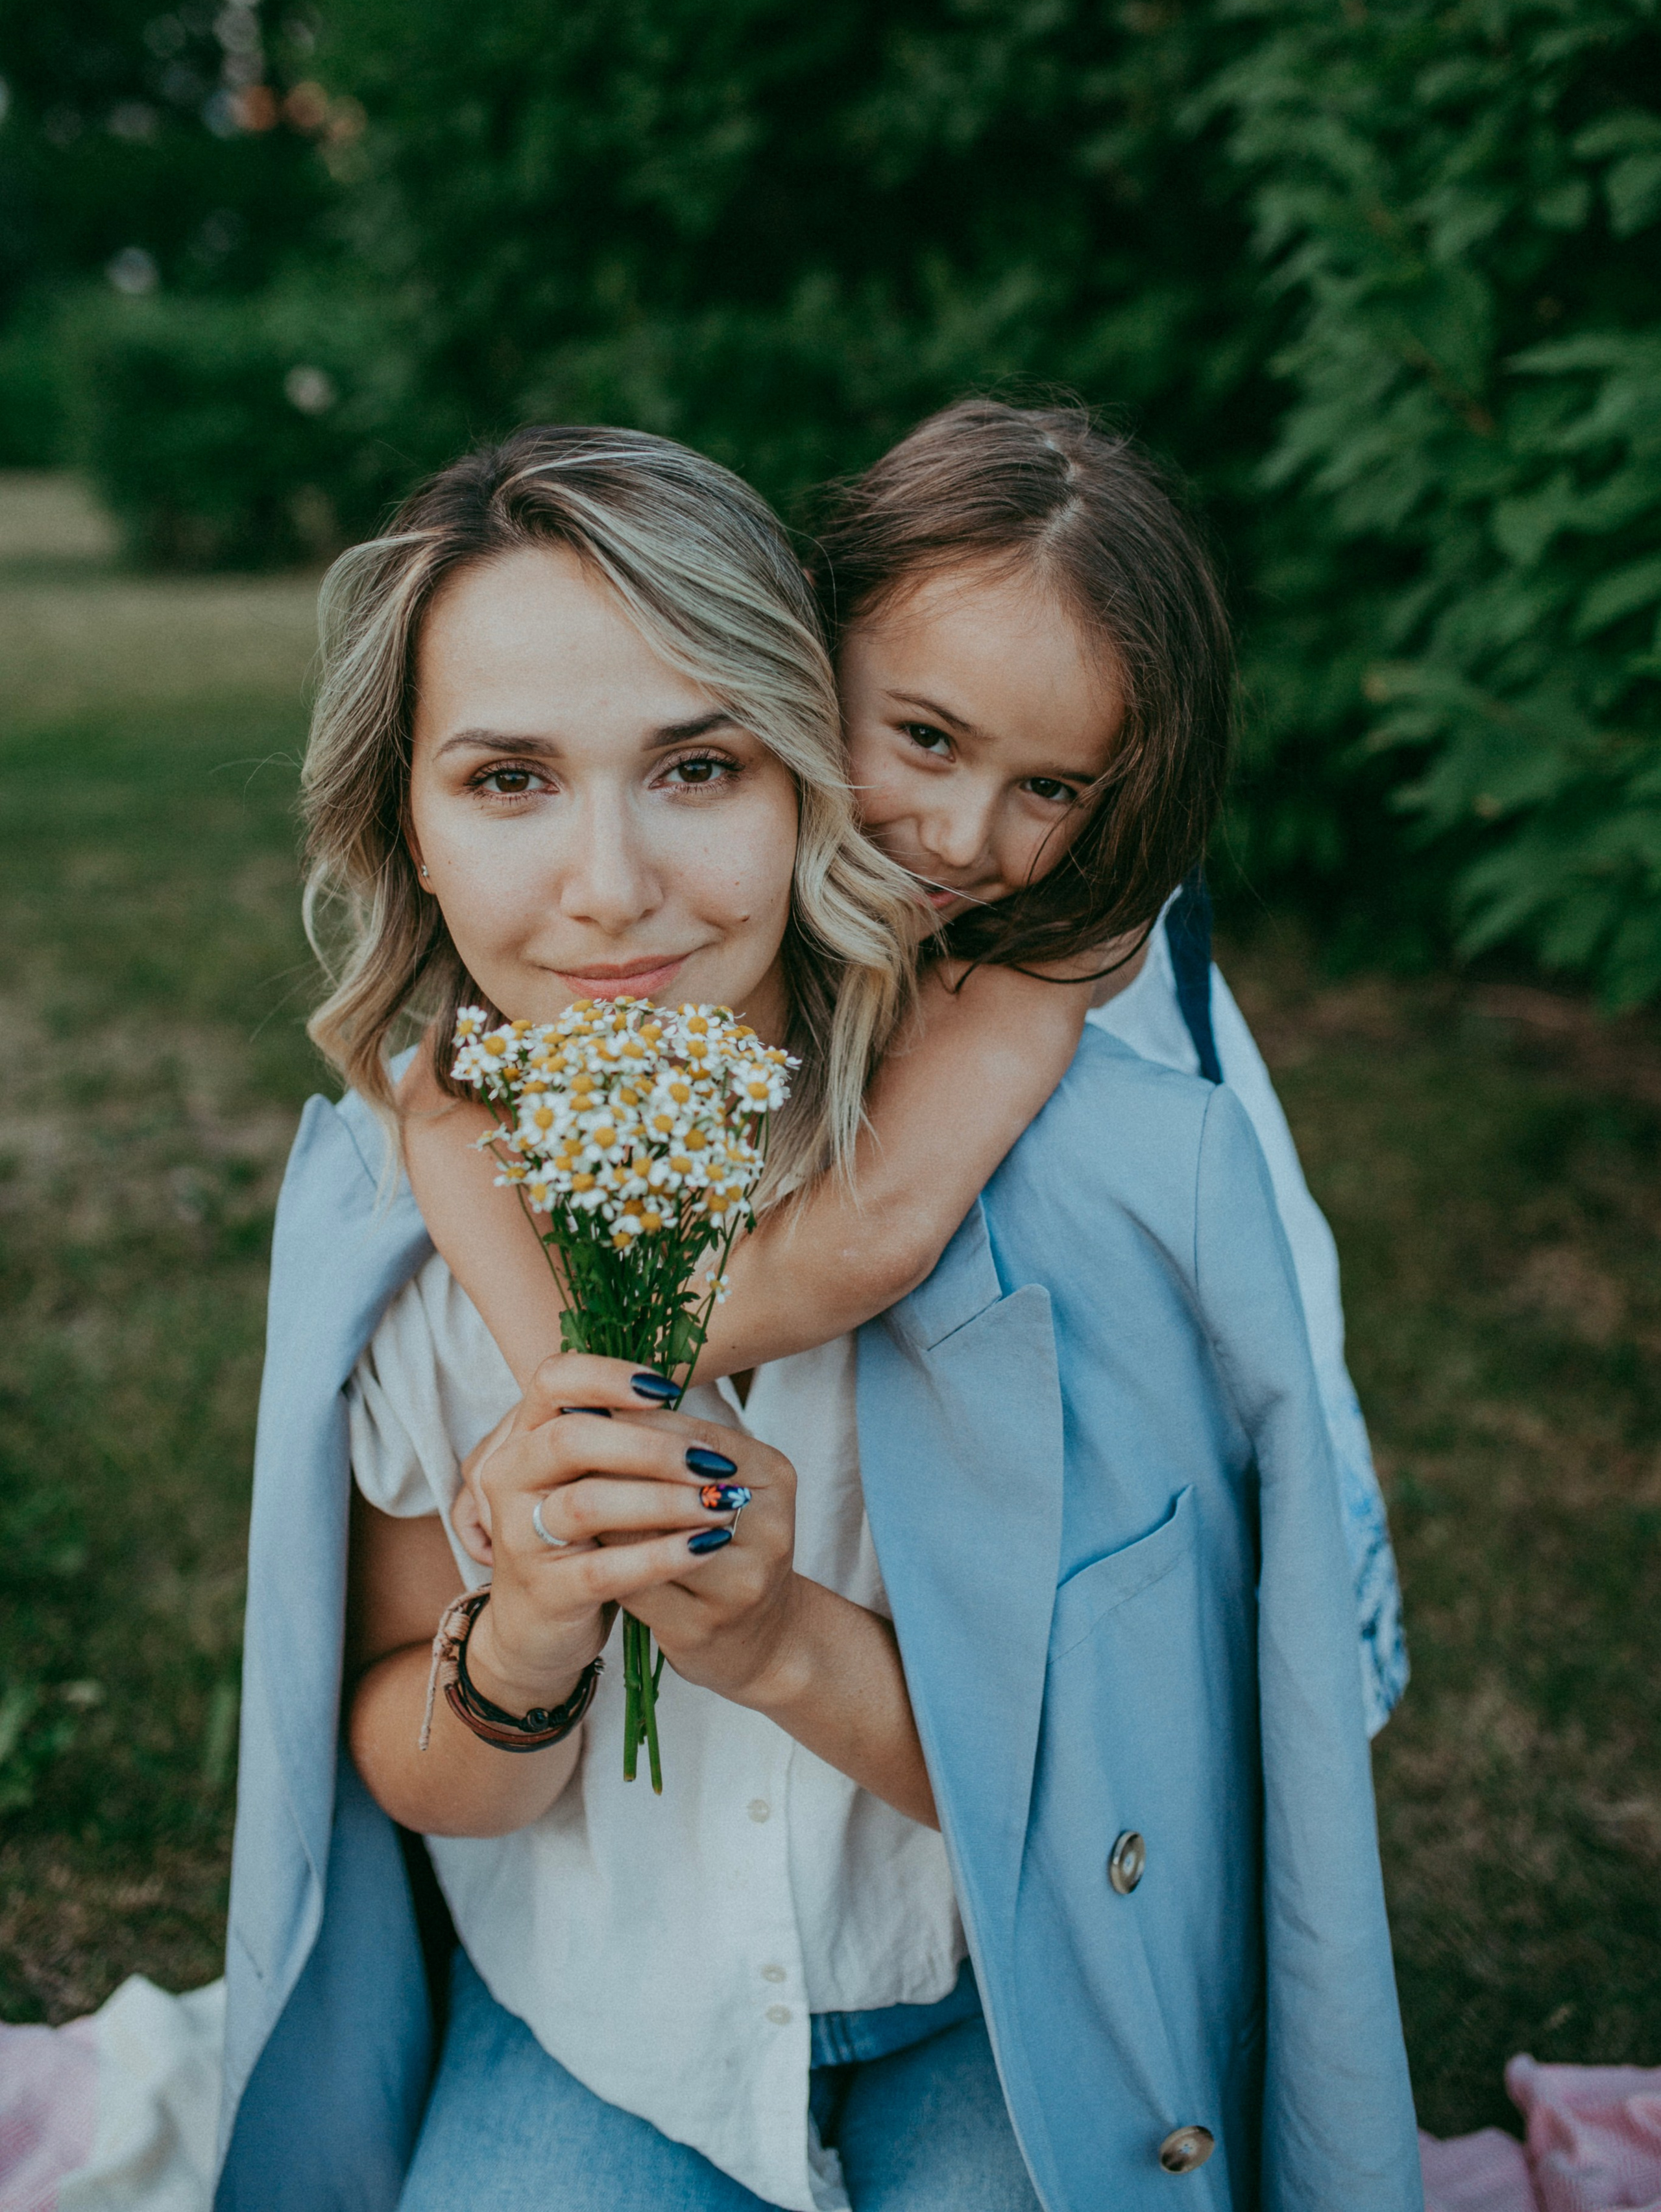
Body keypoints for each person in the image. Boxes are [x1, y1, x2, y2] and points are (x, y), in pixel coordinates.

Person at [215, 424, 1420, 2212]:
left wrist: (779, 1636)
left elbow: (1140, 1787)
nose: (610, 885)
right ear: (400, 816)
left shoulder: (1077, 1167)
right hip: (601, 2019)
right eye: (508, 781)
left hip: (992, 2003)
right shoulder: (415, 1202)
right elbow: (420, 1759)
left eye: (695, 768)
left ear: (791, 764)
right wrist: (523, 1643)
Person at [407, 400, 1406, 1735]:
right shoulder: (802, 900)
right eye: (924, 739)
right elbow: (433, 1100)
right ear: (811, 650)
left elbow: (861, 1243)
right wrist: (567, 1404)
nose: (958, 834)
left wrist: (596, 1406)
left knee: (1224, 1774)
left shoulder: (1069, 940)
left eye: (1051, 788)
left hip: (1206, 1431)